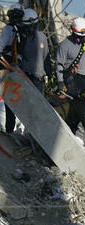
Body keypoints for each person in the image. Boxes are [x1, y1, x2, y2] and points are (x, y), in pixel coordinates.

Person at [56, 17, 85, 161]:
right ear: (73, 32)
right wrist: (60, 83)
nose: (82, 39)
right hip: (70, 82)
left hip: (84, 83)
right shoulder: (65, 45)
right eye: (79, 36)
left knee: (81, 117)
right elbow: (58, 65)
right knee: (72, 118)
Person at [0, 4, 25, 133]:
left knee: (8, 99)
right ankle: (9, 129)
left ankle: (9, 129)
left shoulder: (12, 29)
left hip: (9, 66)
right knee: (9, 99)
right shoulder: (18, 30)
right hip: (12, 65)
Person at [20, 8, 49, 94]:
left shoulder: (42, 37)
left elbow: (46, 57)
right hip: (26, 77)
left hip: (36, 79)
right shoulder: (21, 38)